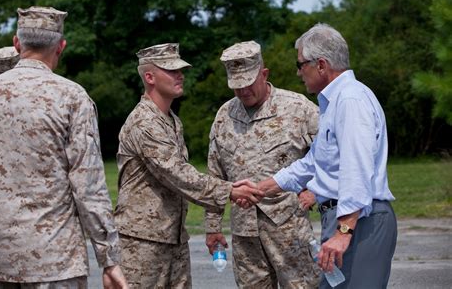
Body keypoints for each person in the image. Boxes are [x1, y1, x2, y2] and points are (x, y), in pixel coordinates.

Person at [0, 6, 128, 289]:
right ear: (61, 46)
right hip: (54, 263)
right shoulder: (71, 97)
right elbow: (89, 187)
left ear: (16, 43)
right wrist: (109, 260)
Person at [254, 23, 397, 288]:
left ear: (321, 64)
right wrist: (265, 186)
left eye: (300, 65)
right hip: (346, 221)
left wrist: (344, 232)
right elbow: (314, 162)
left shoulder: (351, 100)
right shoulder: (334, 103)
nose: (298, 73)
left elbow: (356, 168)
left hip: (360, 223)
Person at [113, 43, 264, 288]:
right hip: (142, 242)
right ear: (149, 77)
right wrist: (230, 191)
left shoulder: (171, 120)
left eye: (180, 69)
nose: (180, 75)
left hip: (172, 237)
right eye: (171, 70)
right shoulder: (144, 122)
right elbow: (178, 174)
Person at [204, 40, 320, 288]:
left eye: (248, 84)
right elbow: (215, 175)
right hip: (245, 235)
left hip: (290, 231)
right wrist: (213, 227)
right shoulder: (224, 116)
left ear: (264, 74)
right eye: (237, 86)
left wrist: (317, 189)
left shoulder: (297, 108)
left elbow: (331, 153)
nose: (243, 91)